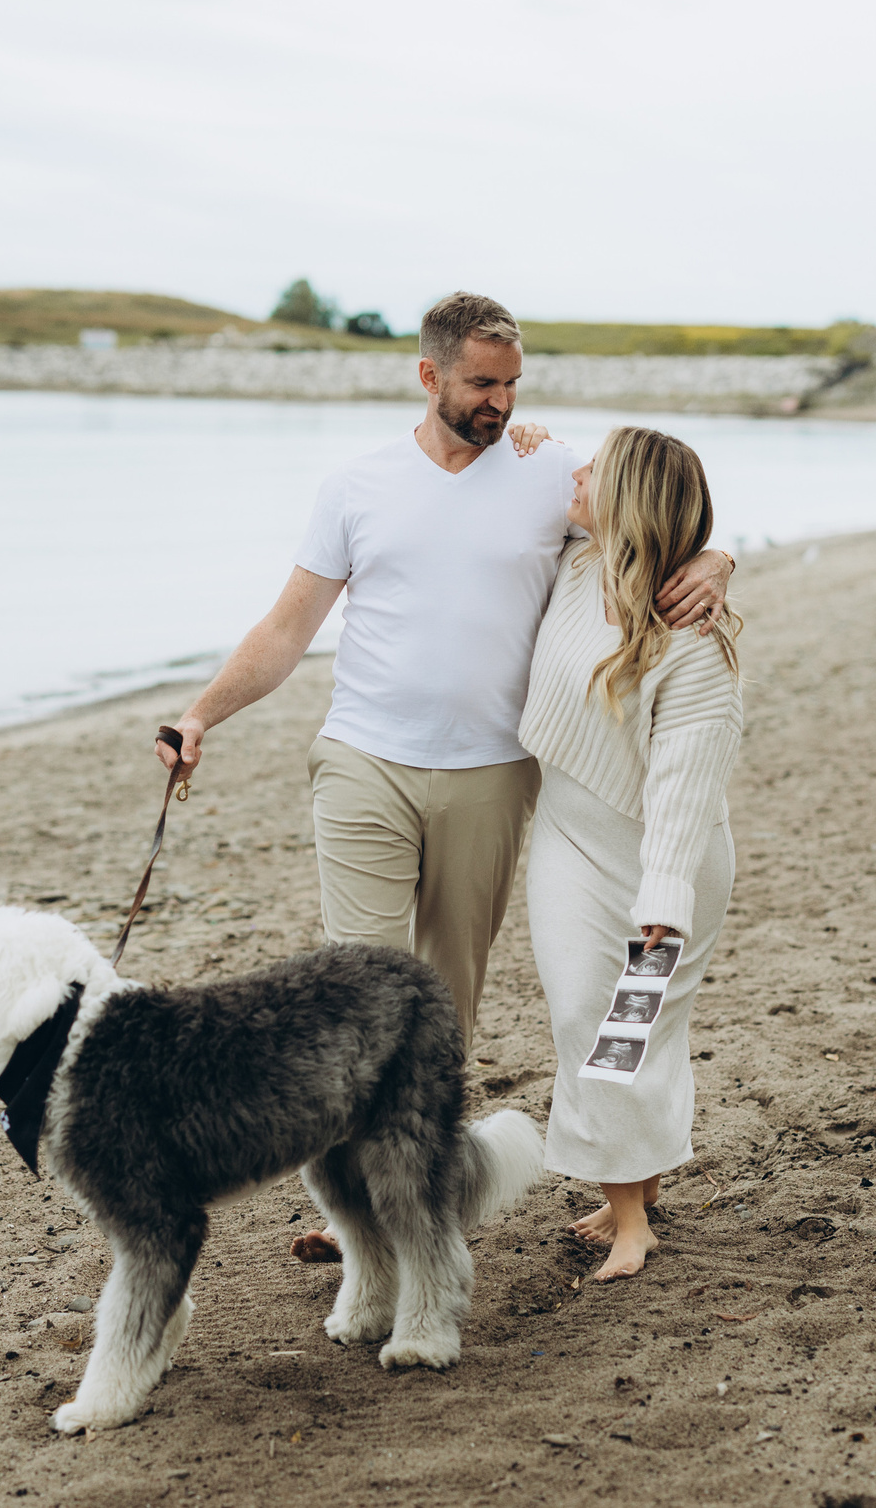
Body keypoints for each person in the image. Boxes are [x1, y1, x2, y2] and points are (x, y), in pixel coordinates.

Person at [154, 292, 733, 1258]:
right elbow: (289, 626)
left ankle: (418, 1189)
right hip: (366, 762)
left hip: (497, 782)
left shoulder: (552, 474)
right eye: (481, 384)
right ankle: (355, 1210)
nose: (501, 402)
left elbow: (655, 524)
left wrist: (719, 557)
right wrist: (200, 712)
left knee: (448, 1006)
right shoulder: (357, 486)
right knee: (358, 990)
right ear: (430, 377)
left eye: (512, 383)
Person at [518, 426, 744, 1282]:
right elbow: (516, 476)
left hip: (667, 864)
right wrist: (528, 440)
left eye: (593, 471)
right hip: (569, 842)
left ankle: (631, 1217)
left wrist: (663, 904)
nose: (574, 474)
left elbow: (684, 794)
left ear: (630, 502)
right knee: (585, 1013)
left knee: (633, 1029)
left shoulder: (695, 645)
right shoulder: (582, 564)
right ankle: (629, 1194)